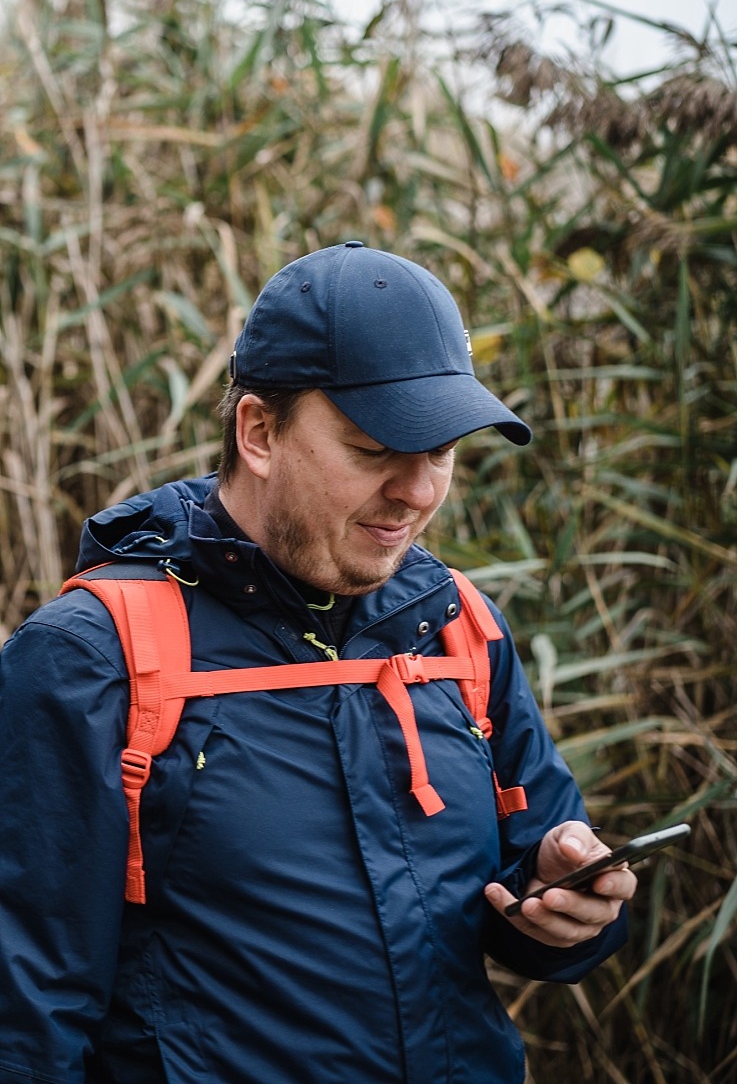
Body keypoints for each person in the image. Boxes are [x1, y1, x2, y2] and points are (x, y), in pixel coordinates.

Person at [0, 242, 632, 1083]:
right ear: (259, 431)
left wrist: (566, 911)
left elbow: (526, 886)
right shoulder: (93, 657)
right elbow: (27, 1020)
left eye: (442, 451)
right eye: (375, 450)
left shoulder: (458, 628)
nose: (417, 492)